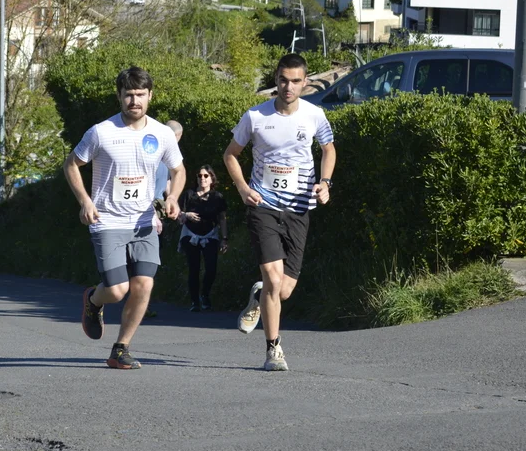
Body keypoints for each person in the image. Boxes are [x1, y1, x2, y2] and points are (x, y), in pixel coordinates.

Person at [64, 66, 185, 370]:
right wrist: (85, 201)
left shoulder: (161, 133)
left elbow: (178, 170)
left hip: (143, 223)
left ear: (150, 96)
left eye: (140, 94)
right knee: (118, 290)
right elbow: (71, 164)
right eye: (129, 95)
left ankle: (121, 349)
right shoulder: (101, 132)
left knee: (143, 284)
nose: (135, 101)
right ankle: (94, 300)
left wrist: (172, 197)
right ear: (119, 96)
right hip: (107, 221)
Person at [223, 53, 336, 372]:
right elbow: (231, 154)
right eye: (283, 80)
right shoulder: (255, 116)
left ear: (305, 82)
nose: (289, 87)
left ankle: (260, 296)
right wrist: (243, 189)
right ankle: (273, 350)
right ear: (276, 79)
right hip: (264, 206)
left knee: (283, 290)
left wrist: (325, 182)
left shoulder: (314, 115)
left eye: (296, 81)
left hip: (299, 208)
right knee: (273, 278)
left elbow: (328, 149)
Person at [179, 164, 229, 312]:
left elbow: (222, 219)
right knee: (193, 268)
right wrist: (186, 215)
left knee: (211, 268)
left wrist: (224, 238)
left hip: (210, 235)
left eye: (206, 176)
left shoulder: (217, 197)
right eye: (199, 176)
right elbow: (177, 215)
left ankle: (205, 295)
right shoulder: (189, 194)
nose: (202, 178)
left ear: (211, 178)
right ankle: (194, 302)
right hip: (191, 235)